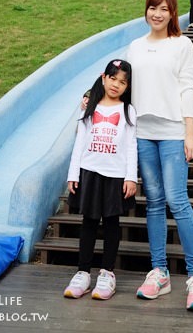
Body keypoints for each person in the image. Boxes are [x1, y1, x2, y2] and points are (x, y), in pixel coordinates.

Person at [127, 0, 193, 311]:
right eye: (152, 8)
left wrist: (191, 134)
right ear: (146, 10)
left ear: (173, 13)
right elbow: (123, 84)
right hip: (143, 132)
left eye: (164, 9)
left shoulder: (182, 44)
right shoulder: (135, 46)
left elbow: (187, 88)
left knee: (177, 200)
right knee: (154, 203)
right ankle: (159, 272)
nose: (157, 14)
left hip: (174, 132)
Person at [63, 59, 137, 301]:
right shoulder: (89, 108)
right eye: (113, 78)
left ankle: (107, 273)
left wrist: (131, 176)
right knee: (89, 222)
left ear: (127, 86)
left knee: (112, 223)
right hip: (89, 171)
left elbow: (131, 145)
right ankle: (83, 272)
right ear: (103, 77)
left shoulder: (127, 110)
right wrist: (73, 174)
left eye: (122, 81)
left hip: (115, 174)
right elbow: (79, 143)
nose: (116, 84)